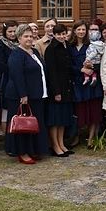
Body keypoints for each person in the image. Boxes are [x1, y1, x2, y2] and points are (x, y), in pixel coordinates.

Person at [4, 24, 49, 164]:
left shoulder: (34, 52)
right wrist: (23, 95)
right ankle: (21, 152)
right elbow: (17, 76)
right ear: (19, 38)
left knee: (34, 124)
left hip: (37, 94)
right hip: (21, 96)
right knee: (22, 125)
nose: (29, 39)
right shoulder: (17, 54)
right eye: (26, 36)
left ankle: (32, 149)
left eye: (31, 36)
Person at [69, 20, 103, 149]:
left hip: (92, 82)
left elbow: (102, 62)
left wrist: (92, 67)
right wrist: (81, 70)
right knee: (79, 110)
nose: (81, 32)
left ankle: (91, 138)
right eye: (79, 29)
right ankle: (76, 136)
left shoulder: (93, 45)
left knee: (94, 110)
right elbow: (67, 65)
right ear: (74, 31)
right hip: (78, 82)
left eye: (84, 29)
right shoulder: (70, 46)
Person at [44, 23, 74, 157]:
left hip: (66, 87)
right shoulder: (51, 49)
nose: (62, 36)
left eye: (63, 34)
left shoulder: (66, 46)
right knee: (55, 119)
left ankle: (62, 144)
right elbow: (51, 72)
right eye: (59, 34)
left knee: (63, 118)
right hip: (56, 89)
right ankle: (55, 146)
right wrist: (56, 92)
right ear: (54, 35)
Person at [0, 20, 19, 139]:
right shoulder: (0, 44)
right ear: (5, 32)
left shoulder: (20, 43)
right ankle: (6, 134)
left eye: (15, 31)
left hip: (20, 79)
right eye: (10, 31)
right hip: (6, 78)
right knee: (5, 109)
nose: (12, 34)